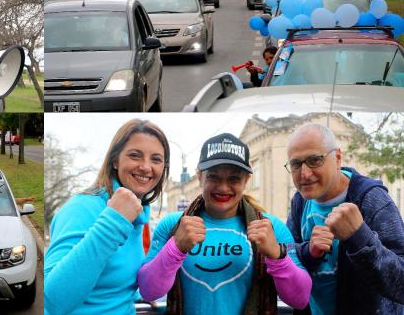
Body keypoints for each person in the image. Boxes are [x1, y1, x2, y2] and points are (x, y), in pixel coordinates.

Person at [138, 133, 311, 314]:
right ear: (200, 177)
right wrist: (175, 248)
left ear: (246, 181)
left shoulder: (271, 228)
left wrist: (277, 255)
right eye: (213, 177)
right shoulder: (173, 225)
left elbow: (300, 299)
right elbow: (148, 291)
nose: (223, 187)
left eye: (234, 179)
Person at [44, 119, 170, 314]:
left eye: (156, 159)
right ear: (115, 160)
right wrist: (114, 222)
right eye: (135, 156)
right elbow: (52, 301)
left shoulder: (140, 212)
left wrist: (135, 295)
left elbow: (108, 281)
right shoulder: (82, 208)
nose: (146, 167)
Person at [285, 123, 404, 314]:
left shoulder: (372, 199)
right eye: (296, 164)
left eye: (315, 160)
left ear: (337, 158)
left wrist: (359, 238)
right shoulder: (300, 201)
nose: (305, 174)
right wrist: (308, 251)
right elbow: (287, 254)